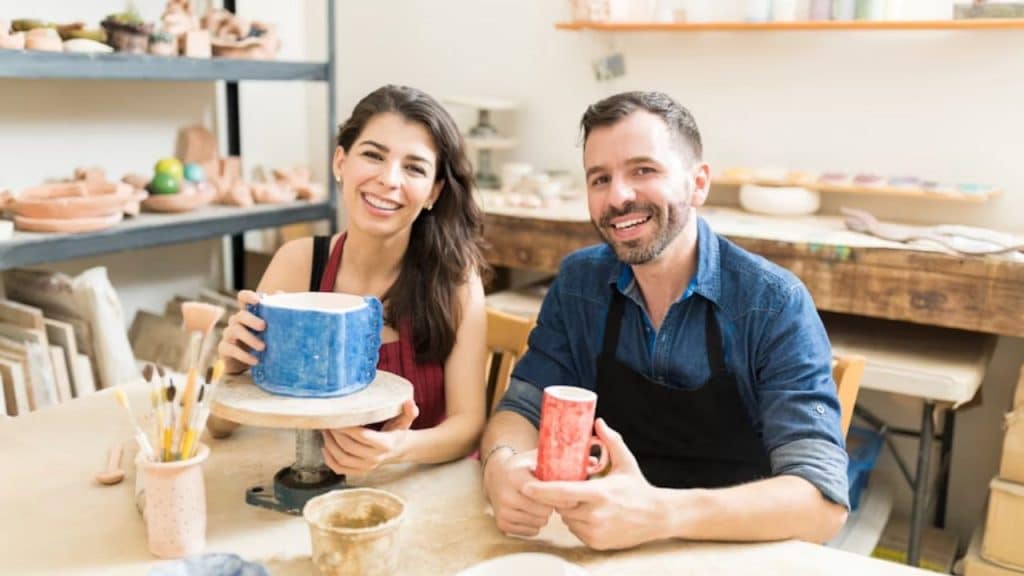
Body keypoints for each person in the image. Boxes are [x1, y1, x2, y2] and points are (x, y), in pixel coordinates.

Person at [480, 91, 849, 550]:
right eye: (600, 179)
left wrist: (658, 513)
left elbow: (821, 503)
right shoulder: (579, 283)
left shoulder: (773, 303)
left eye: (643, 170)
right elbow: (522, 408)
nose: (618, 197)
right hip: (603, 547)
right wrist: (501, 465)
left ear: (698, 183)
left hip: (734, 553)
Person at [216, 85, 489, 473]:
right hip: (311, 492)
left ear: (434, 192)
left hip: (420, 490)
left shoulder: (456, 280)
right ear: (340, 162)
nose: (389, 179)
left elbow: (468, 426)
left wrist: (398, 447)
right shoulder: (298, 264)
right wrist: (232, 372)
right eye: (373, 155)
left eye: (414, 167)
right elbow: (218, 428)